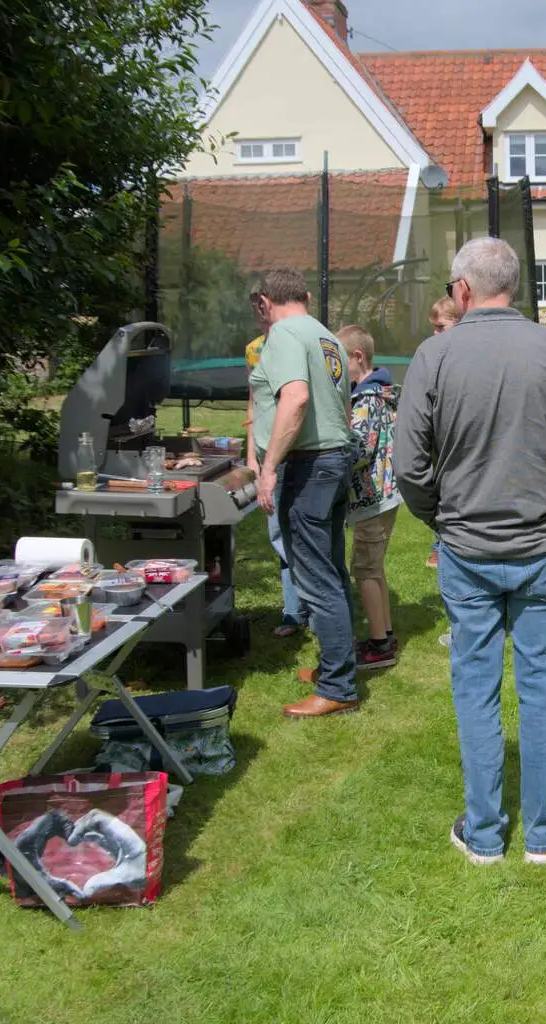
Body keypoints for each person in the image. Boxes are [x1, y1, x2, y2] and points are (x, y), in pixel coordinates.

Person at [395, 237, 546, 865]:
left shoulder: (435, 355)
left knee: (476, 688)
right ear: (515, 287)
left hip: (468, 546)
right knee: (542, 689)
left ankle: (486, 834)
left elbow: (408, 467)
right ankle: (544, 833)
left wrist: (442, 516)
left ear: (462, 290)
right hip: (542, 544)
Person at [248, 268, 359, 719]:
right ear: (307, 296)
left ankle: (338, 687)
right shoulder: (325, 335)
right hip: (334, 460)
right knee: (331, 570)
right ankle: (338, 668)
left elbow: (294, 399)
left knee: (315, 577)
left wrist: (268, 468)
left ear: (262, 302)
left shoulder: (283, 335)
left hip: (309, 466)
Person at [335, 325, 401, 671]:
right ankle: (384, 633)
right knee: (374, 569)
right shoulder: (381, 391)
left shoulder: (366, 399)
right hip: (383, 497)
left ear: (357, 357)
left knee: (363, 569)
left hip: (371, 500)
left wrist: (334, 441)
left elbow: (360, 449)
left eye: (339, 360)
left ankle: (379, 646)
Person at [244, 332, 307, 638]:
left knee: (302, 535)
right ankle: (294, 611)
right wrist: (252, 458)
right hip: (267, 455)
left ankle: (313, 604)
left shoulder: (299, 340)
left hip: (301, 453)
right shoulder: (254, 349)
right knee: (278, 533)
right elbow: (253, 405)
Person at [424, 296, 460, 573]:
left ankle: (445, 544)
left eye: (441, 327)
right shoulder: (434, 356)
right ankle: (440, 543)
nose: (435, 334)